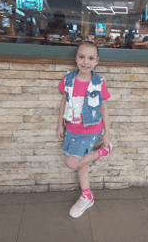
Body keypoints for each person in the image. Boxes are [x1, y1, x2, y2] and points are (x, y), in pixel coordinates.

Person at [57, 41, 112, 218]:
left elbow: (104, 108)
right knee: (82, 164)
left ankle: (104, 151)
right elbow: (64, 102)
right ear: (76, 58)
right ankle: (87, 195)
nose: (85, 62)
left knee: (72, 163)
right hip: (73, 129)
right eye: (82, 57)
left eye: (91, 58)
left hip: (91, 130)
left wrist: (107, 133)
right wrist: (60, 124)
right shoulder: (68, 79)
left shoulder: (98, 82)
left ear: (97, 61)